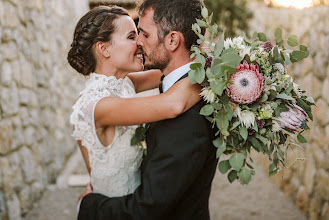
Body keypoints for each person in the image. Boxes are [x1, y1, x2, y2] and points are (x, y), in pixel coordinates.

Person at [77, 1, 218, 220]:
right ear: (104, 48)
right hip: (117, 206)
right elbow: (173, 103)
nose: (139, 43)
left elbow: (170, 71)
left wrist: (211, 61)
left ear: (172, 39)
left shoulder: (125, 83)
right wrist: (217, 73)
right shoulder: (95, 104)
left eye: (141, 34)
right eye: (132, 36)